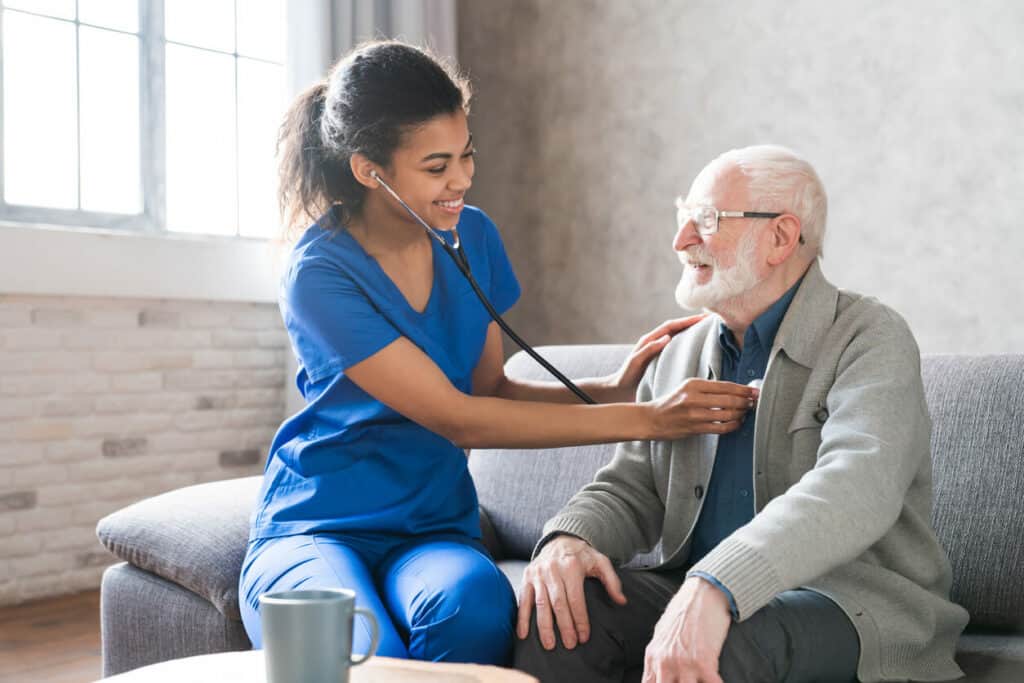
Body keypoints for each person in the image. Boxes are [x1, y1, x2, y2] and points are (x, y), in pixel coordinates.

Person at [238, 41, 759, 667]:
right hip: (321, 521)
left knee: (476, 613)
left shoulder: (473, 235)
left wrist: (613, 389)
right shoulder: (318, 273)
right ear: (369, 171)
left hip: (432, 527)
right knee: (353, 648)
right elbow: (455, 417)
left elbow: (488, 390)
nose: (460, 179)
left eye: (466, 156)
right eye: (435, 167)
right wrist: (650, 418)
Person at [514, 145, 969, 683]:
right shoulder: (679, 351)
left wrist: (719, 583)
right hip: (700, 588)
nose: (680, 241)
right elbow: (631, 487)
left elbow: (856, 488)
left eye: (705, 220)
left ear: (780, 237)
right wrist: (571, 539)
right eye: (684, 218)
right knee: (562, 617)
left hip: (848, 601)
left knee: (730, 644)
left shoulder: (870, 337)